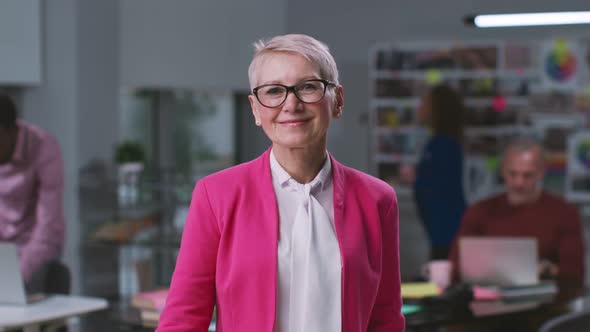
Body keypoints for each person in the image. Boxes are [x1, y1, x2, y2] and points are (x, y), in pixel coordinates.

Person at [157, 34, 405, 331]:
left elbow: (386, 318)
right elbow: (183, 320)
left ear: (337, 100)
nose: (291, 104)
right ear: (255, 109)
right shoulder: (216, 195)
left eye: (308, 87)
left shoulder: (377, 199)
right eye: (274, 91)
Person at [449, 137, 585, 296]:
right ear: (503, 171)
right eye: (512, 174)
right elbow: (456, 265)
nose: (518, 183)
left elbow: (574, 273)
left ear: (541, 173)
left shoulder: (563, 212)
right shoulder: (480, 211)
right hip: (487, 301)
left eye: (527, 175)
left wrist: (547, 270)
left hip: (544, 304)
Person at [0, 93, 65, 292]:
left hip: (37, 253)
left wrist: (14, 280)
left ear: (11, 132)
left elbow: (48, 224)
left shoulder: (43, 146)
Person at [413, 85, 466, 260]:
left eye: (426, 103)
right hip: (438, 229)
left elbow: (436, 189)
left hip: (447, 230)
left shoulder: (445, 146)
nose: (420, 107)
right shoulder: (436, 144)